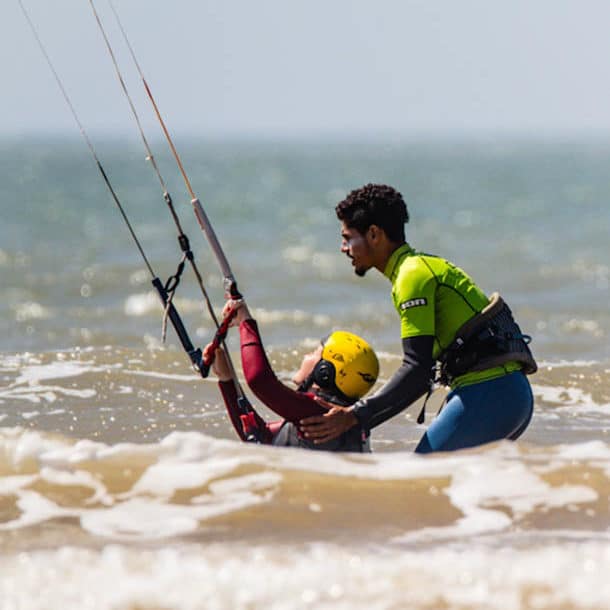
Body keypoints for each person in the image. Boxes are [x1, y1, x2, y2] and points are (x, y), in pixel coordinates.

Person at [300, 183, 537, 454]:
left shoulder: (411, 276)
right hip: (505, 395)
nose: (343, 248)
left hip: (490, 393)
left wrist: (355, 415)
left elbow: (417, 368)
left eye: (347, 237)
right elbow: (420, 374)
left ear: (374, 234)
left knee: (421, 481)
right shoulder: (417, 268)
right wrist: (360, 419)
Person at [205, 299, 379, 452]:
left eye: (313, 353)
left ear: (324, 372)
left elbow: (259, 380)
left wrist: (246, 321)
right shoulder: (339, 418)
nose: (305, 356)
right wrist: (227, 379)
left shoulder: (322, 415)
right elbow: (261, 436)